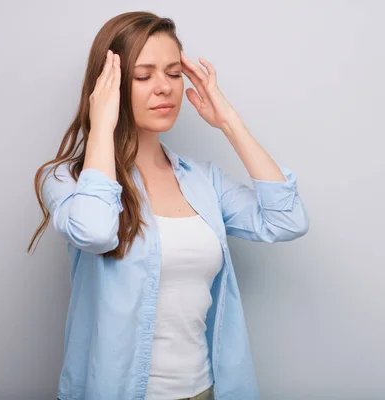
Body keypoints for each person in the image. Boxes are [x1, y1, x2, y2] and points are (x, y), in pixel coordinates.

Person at [27, 11, 309, 400]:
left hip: (206, 391)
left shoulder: (203, 180)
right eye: (143, 76)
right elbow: (94, 231)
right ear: (109, 87)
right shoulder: (68, 181)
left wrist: (229, 121)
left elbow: (286, 220)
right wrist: (102, 125)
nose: (165, 88)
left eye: (174, 73)